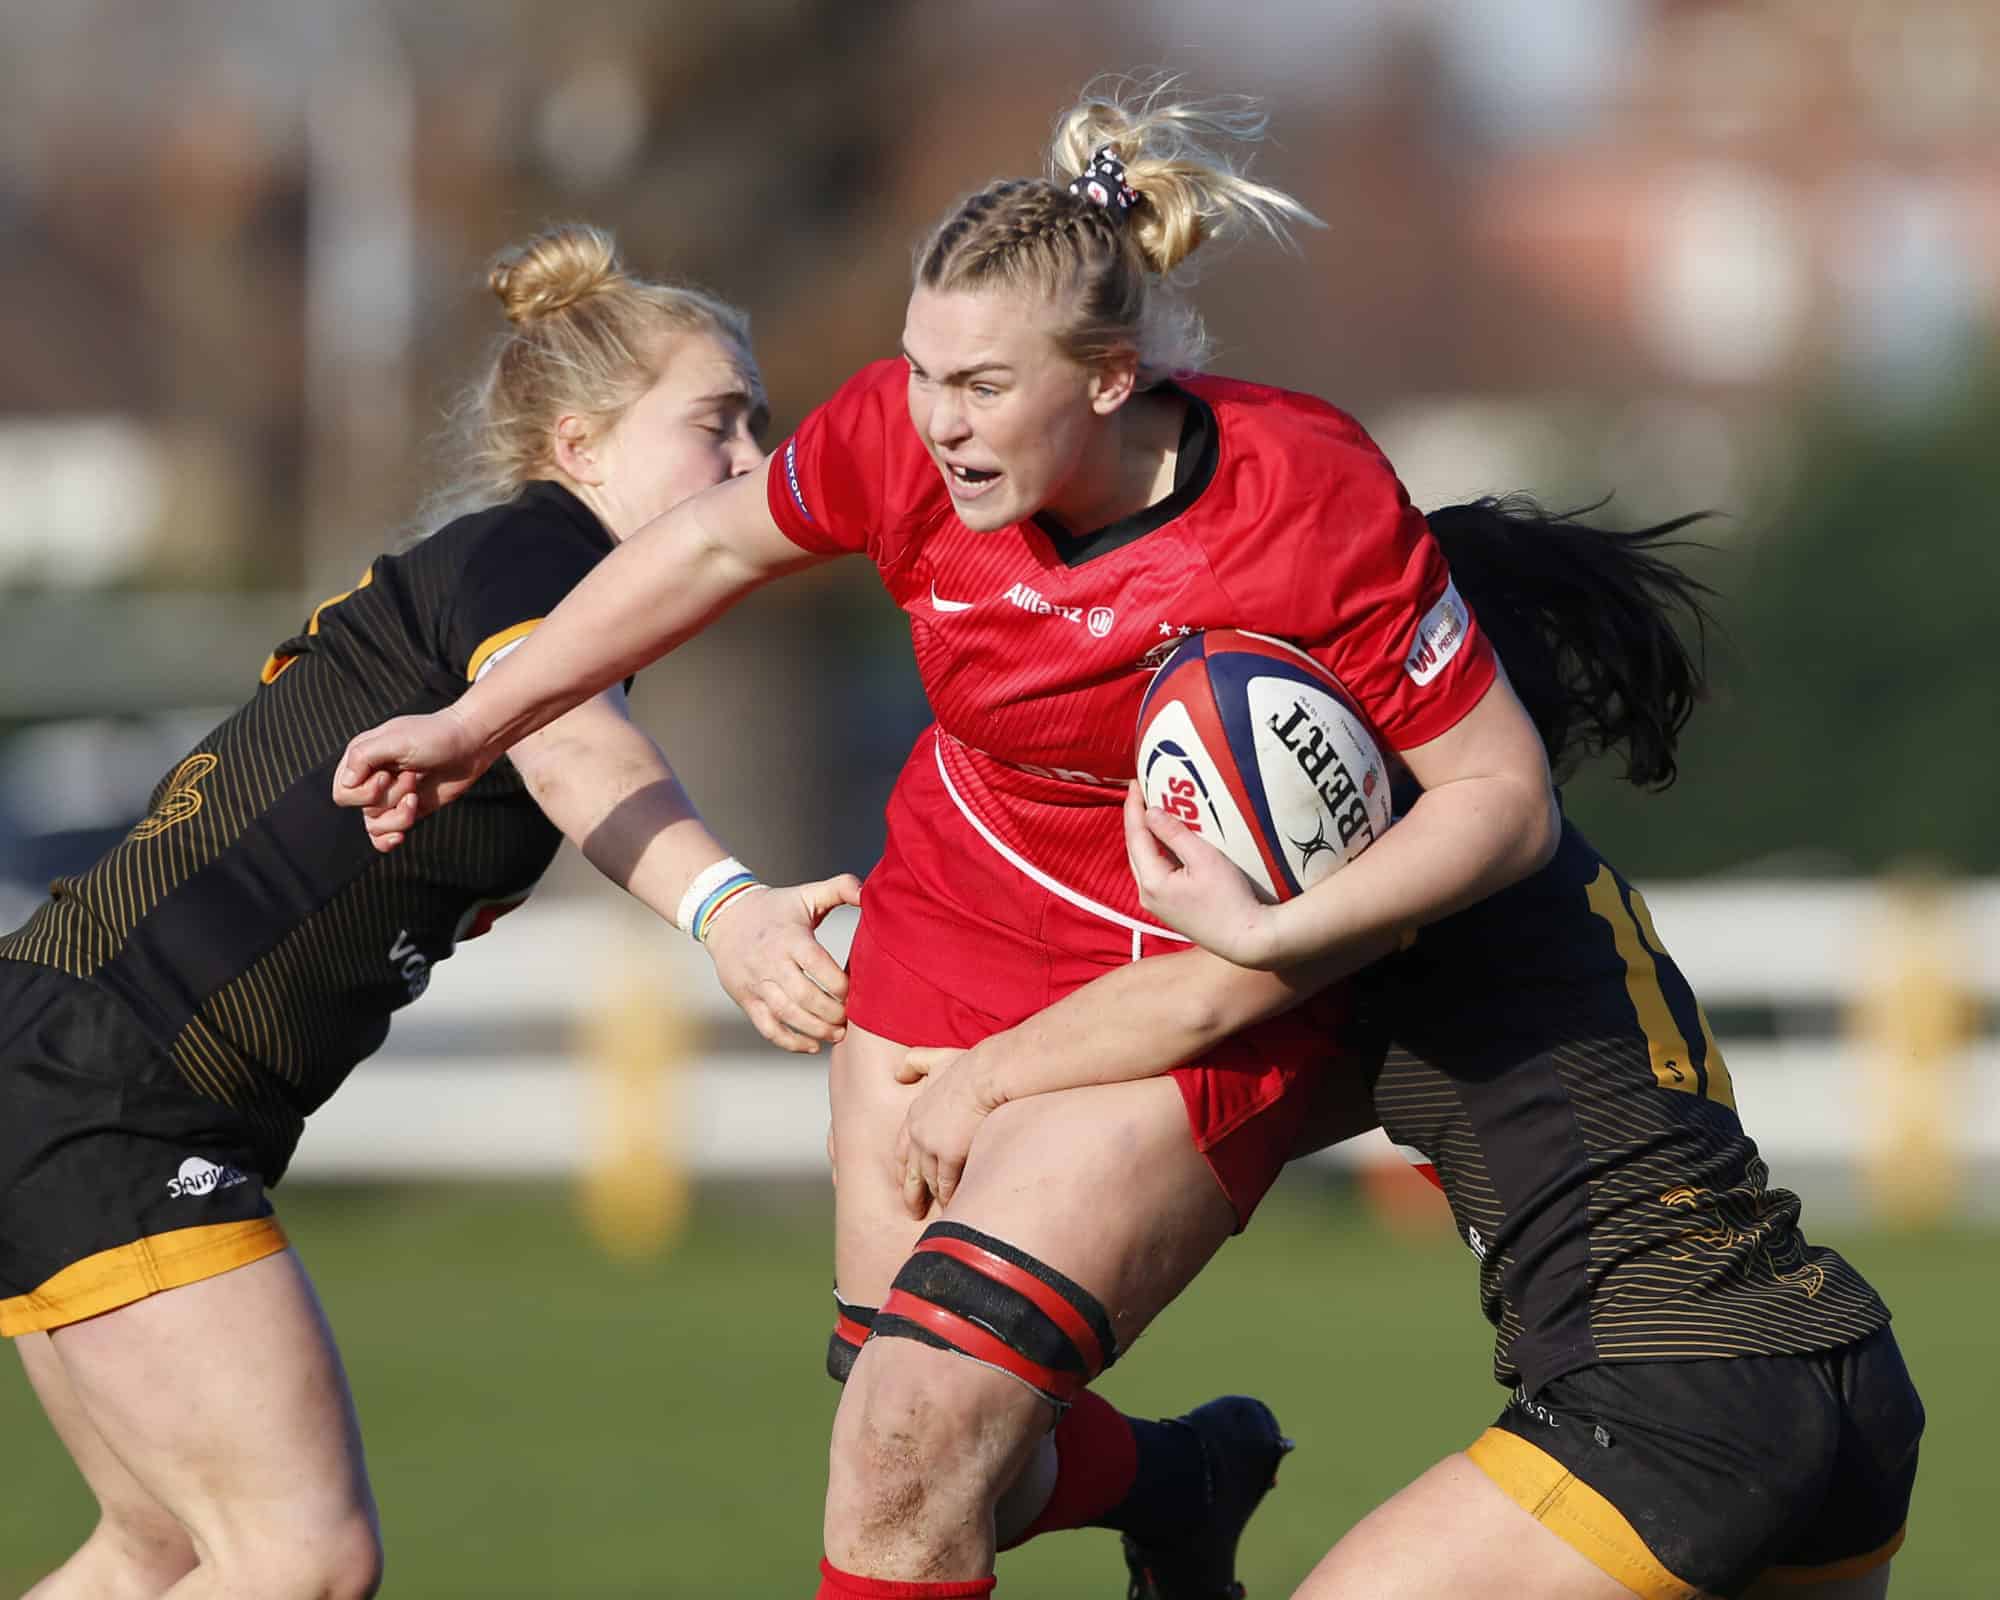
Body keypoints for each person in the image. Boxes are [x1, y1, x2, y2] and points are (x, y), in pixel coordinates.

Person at [332, 81, 1562, 1600]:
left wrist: (1288, 936)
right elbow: (709, 545)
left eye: (979, 385)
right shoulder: (912, 447)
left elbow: (1502, 800)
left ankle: (1165, 1476)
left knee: (915, 1439)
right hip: (945, 941)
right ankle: (1179, 1480)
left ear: (1110, 378)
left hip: (1177, 991)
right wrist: (475, 723)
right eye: (919, 374)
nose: (934, 422)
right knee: (907, 1450)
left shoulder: (1302, 496)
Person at [0, 223, 861, 1600]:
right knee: (302, 1560)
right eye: (718, 422)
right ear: (581, 448)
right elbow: (578, 752)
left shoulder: (508, 574)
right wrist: (733, 912)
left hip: (70, 1061)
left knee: (158, 1552)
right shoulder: (538, 555)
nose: (755, 463)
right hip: (123, 1091)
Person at [894, 497, 1926, 1600]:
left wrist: (982, 1076)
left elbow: (1199, 1004)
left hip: (1664, 1385)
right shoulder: (1548, 881)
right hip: (1838, 1366)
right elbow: (1291, 1089)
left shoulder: (1426, 866)